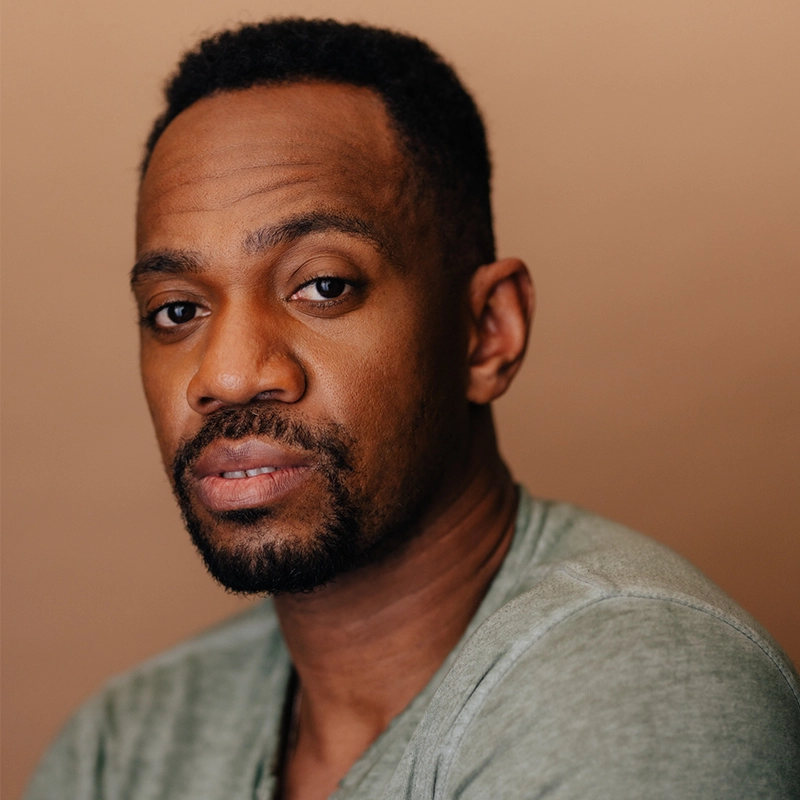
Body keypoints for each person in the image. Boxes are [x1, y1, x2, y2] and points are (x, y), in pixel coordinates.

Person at [26, 18, 800, 800]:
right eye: (175, 310)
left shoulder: (644, 689)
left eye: (323, 285)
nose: (224, 376)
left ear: (487, 332)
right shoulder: (123, 745)